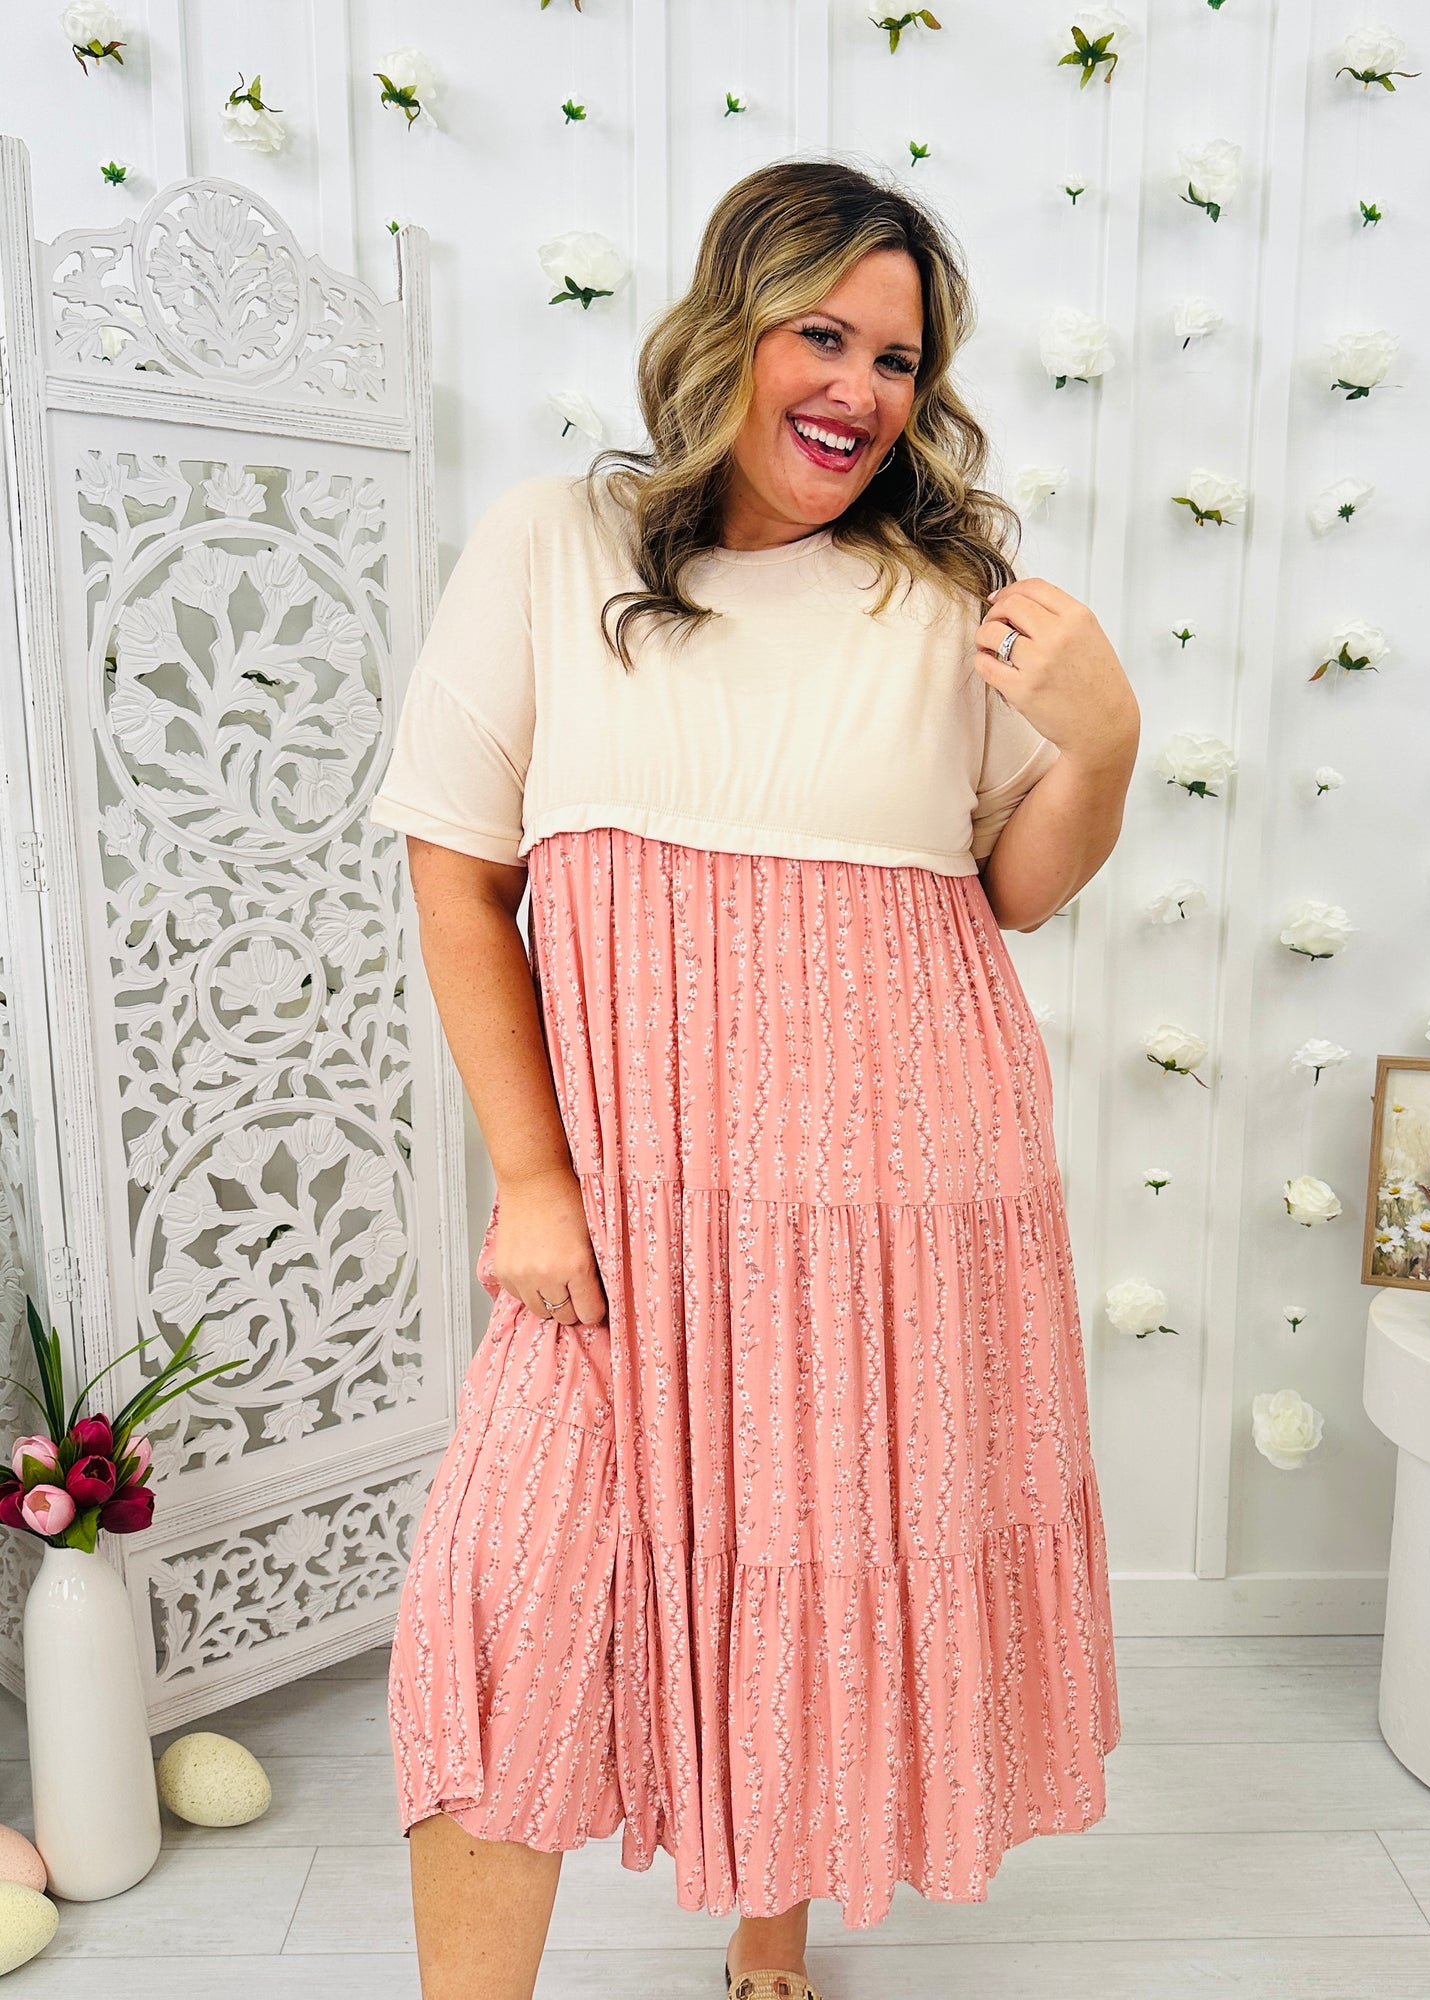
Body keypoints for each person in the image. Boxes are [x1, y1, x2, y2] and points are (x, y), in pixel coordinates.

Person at [369, 156, 1136, 2000]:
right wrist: (534, 1183)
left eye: (900, 357)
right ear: (731, 328)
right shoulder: (556, 545)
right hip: (631, 1216)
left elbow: (1018, 889)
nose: (861, 389)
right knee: (500, 1599)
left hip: (893, 1200)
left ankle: (772, 1923)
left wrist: (1105, 744)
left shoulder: (943, 597)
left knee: (815, 1559)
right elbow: (457, 875)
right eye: (823, 334)